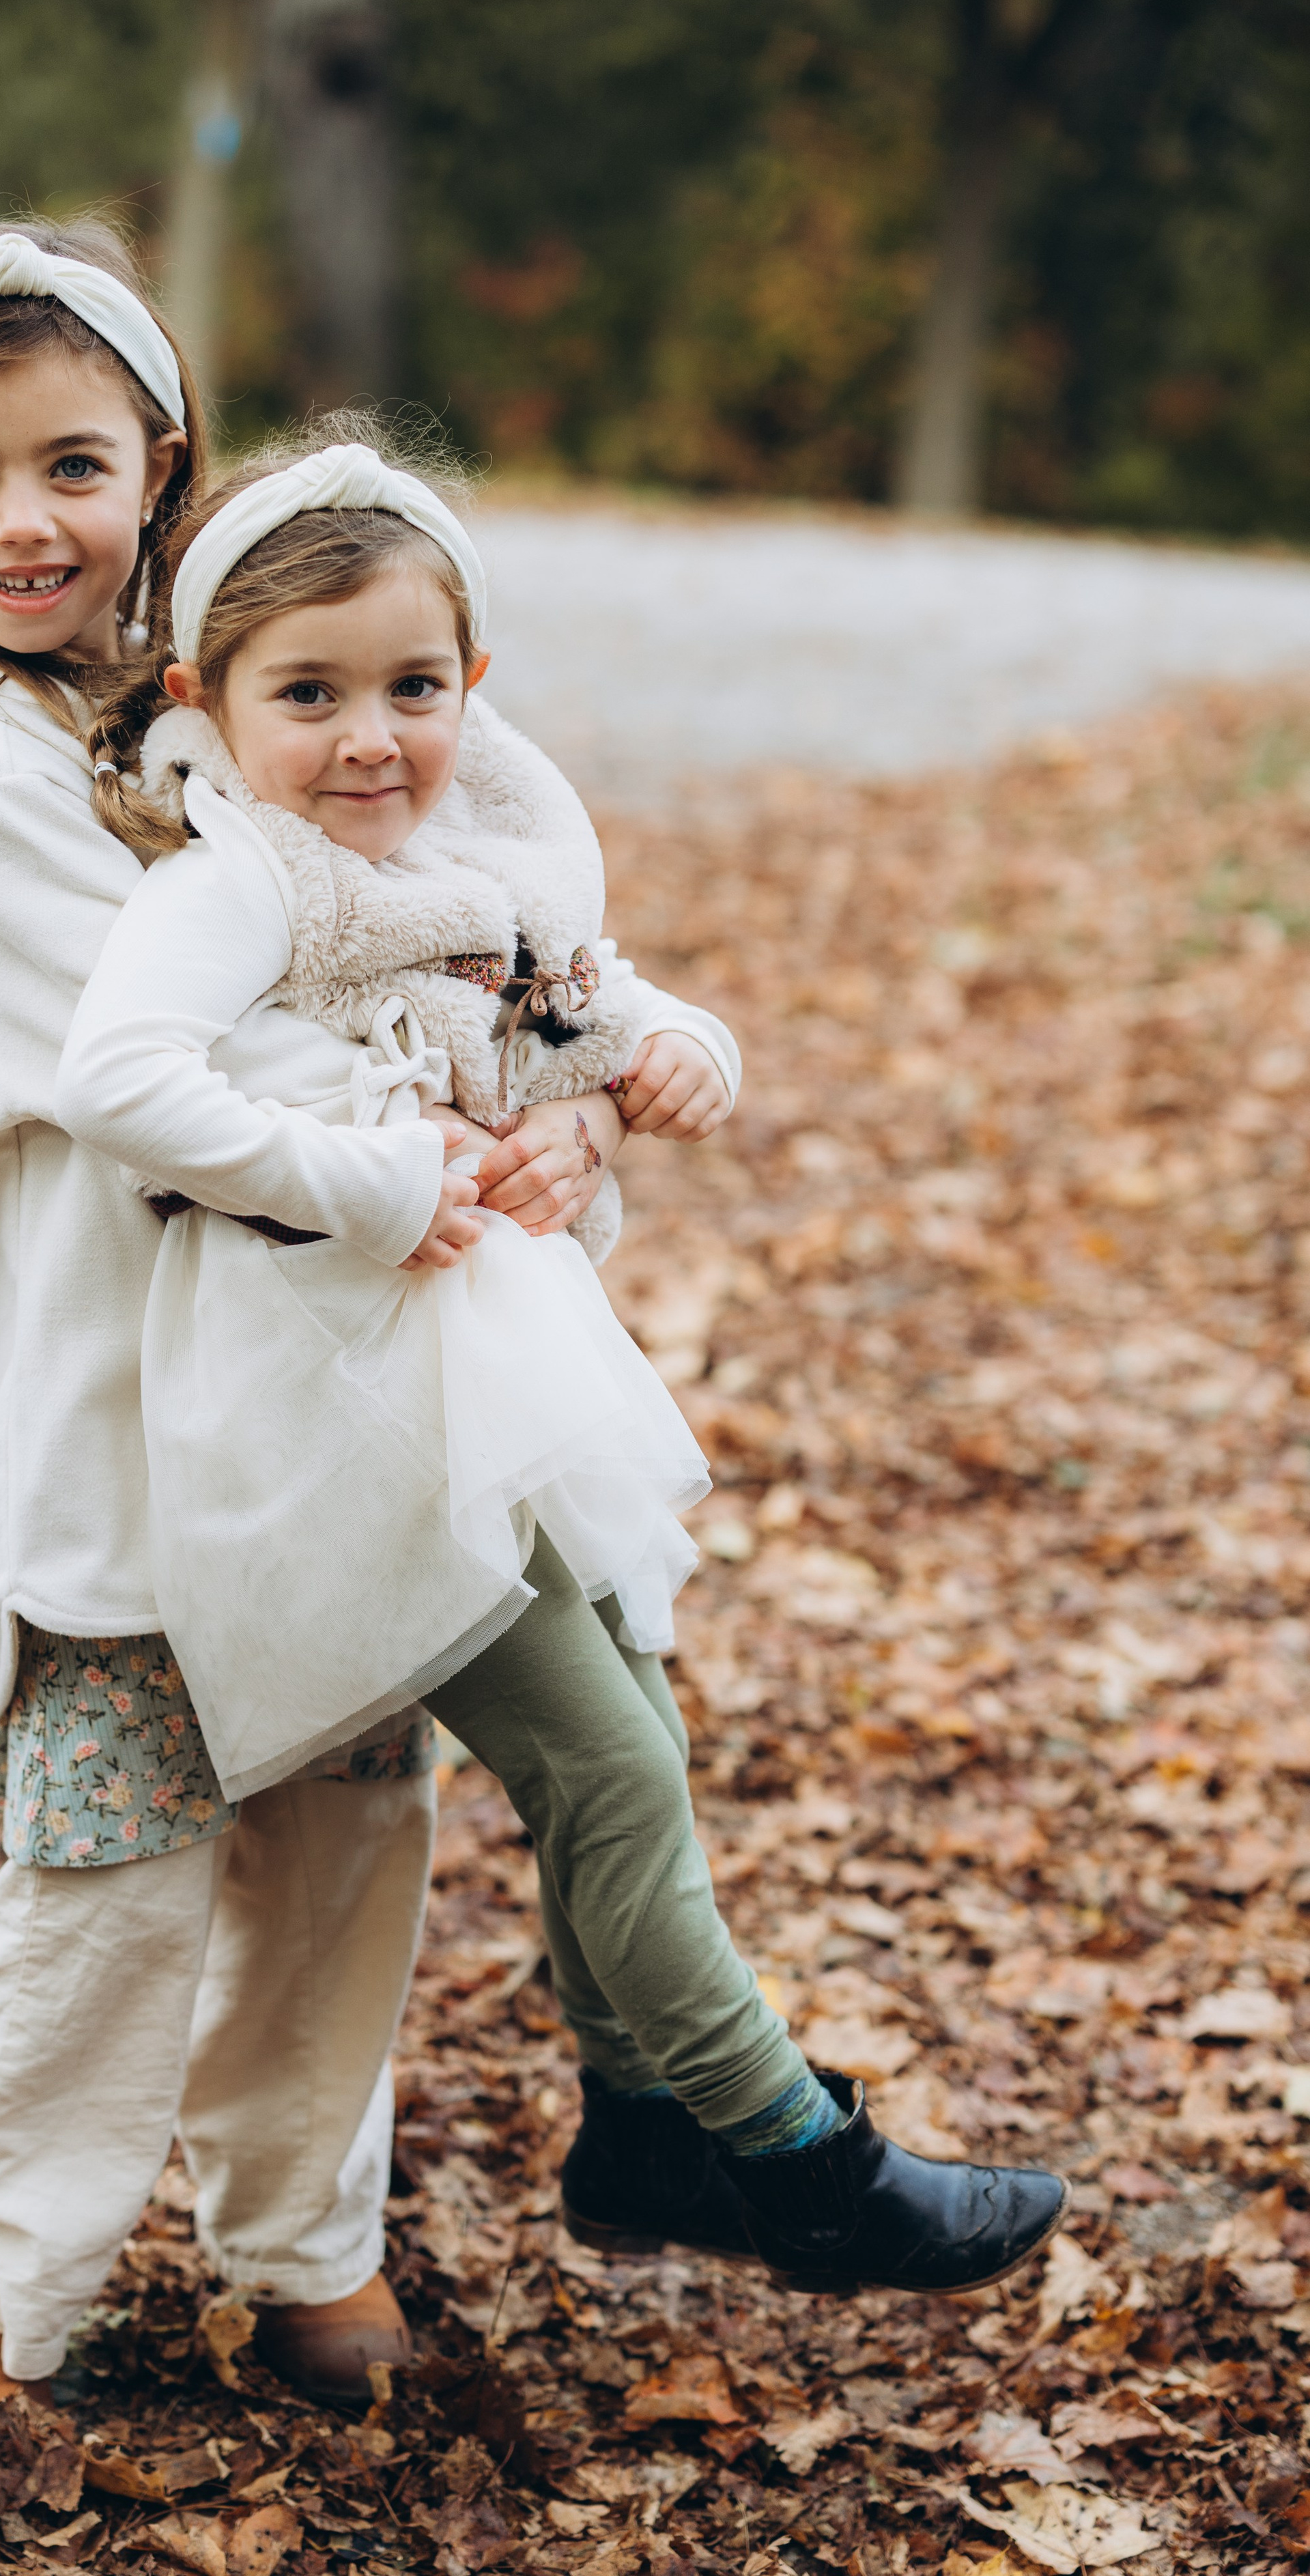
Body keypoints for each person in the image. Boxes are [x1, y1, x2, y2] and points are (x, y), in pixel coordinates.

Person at [0, 218, 741, 2447]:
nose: (24, 521)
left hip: (332, 1387)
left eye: (72, 463)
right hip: (123, 1408)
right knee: (118, 1858)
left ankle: (296, 2235)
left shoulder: (247, 685)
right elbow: (244, 1080)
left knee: (347, 1823)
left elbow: (462, 923)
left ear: (165, 464)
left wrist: (571, 1118)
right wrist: (464, 1147)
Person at [57, 435, 1071, 2327]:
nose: (371, 738)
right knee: (604, 1764)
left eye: (414, 688)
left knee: (648, 1722)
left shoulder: (474, 861)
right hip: (351, 1420)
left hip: (508, 1390)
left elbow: (608, 996)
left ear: (476, 688)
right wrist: (366, 1173)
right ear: (211, 703)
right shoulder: (241, 883)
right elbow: (116, 1082)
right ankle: (789, 2151)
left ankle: (633, 2128)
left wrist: (671, 1060)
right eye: (310, 694)